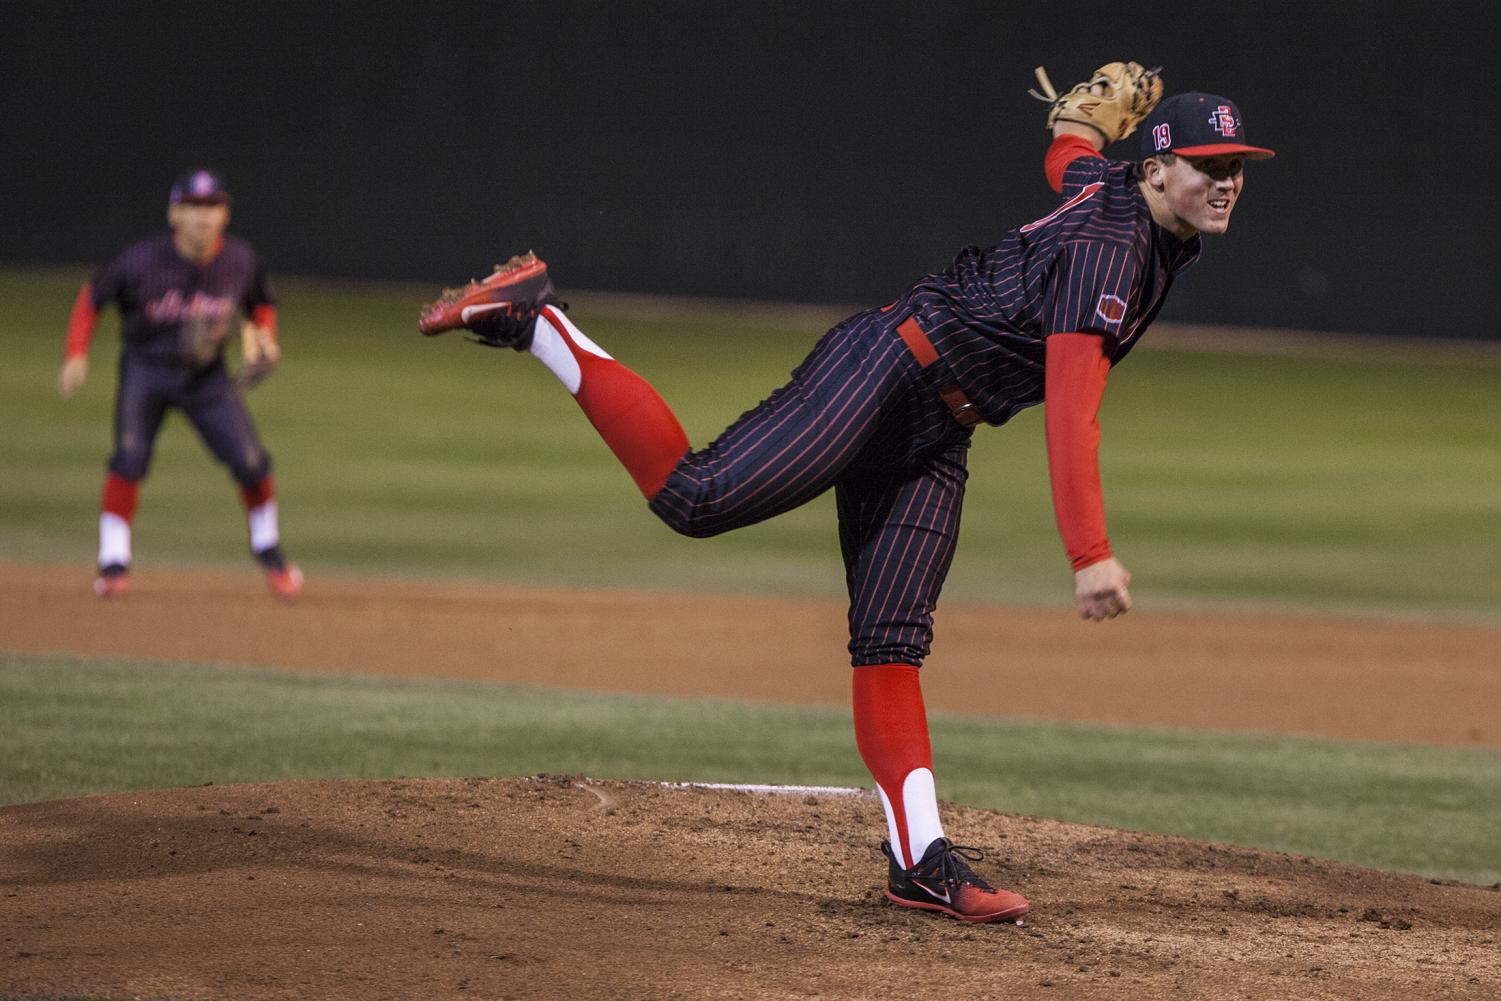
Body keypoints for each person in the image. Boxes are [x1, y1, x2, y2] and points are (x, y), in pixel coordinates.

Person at [417, 73, 1273, 923]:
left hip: (938, 430)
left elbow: (1073, 159)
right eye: (1207, 162)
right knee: (696, 495)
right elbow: (1071, 410)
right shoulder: (1108, 252)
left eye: (1235, 163)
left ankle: (918, 859)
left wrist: (1074, 131)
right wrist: (1088, 554)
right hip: (882, 372)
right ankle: (540, 321)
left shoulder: (1132, 201)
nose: (1226, 178)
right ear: (1157, 168)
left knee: (891, 642)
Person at [58, 169, 303, 600]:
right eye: (193, 207)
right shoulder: (139, 260)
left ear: (225, 215)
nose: (203, 218)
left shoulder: (241, 260)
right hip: (146, 371)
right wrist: (76, 353)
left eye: (213, 207)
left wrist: (266, 337)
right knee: (129, 458)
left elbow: (261, 302)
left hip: (206, 378)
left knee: (250, 462)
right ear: (174, 213)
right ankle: (114, 560)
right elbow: (91, 297)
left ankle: (268, 548)